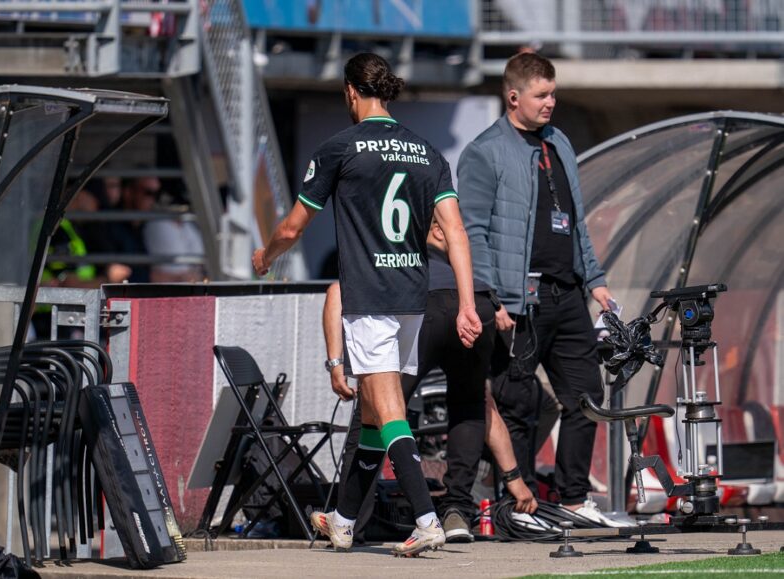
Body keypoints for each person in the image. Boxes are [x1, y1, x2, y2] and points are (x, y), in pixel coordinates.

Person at [252, 53, 482, 556]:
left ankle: (426, 519)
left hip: (370, 297)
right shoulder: (427, 152)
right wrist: (468, 303)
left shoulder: (340, 148)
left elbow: (293, 226)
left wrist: (265, 255)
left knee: (389, 410)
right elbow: (455, 232)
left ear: (351, 92)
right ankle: (343, 519)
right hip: (411, 299)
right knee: (377, 419)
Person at [457, 52, 616, 521]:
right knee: (518, 404)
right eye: (541, 95)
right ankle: (517, 508)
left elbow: (577, 222)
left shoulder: (560, 142)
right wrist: (491, 298)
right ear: (513, 97)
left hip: (567, 294)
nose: (551, 102)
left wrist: (597, 281)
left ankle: (573, 498)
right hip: (517, 300)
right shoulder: (484, 151)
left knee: (586, 397)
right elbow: (472, 233)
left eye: (553, 93)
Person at [323, 218, 537, 545]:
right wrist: (514, 478)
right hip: (480, 304)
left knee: (378, 409)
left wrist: (336, 362)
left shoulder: (393, 251)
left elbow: (336, 290)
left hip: (422, 304)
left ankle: (353, 522)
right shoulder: (464, 275)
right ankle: (456, 513)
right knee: (470, 406)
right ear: (440, 232)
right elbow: (486, 407)